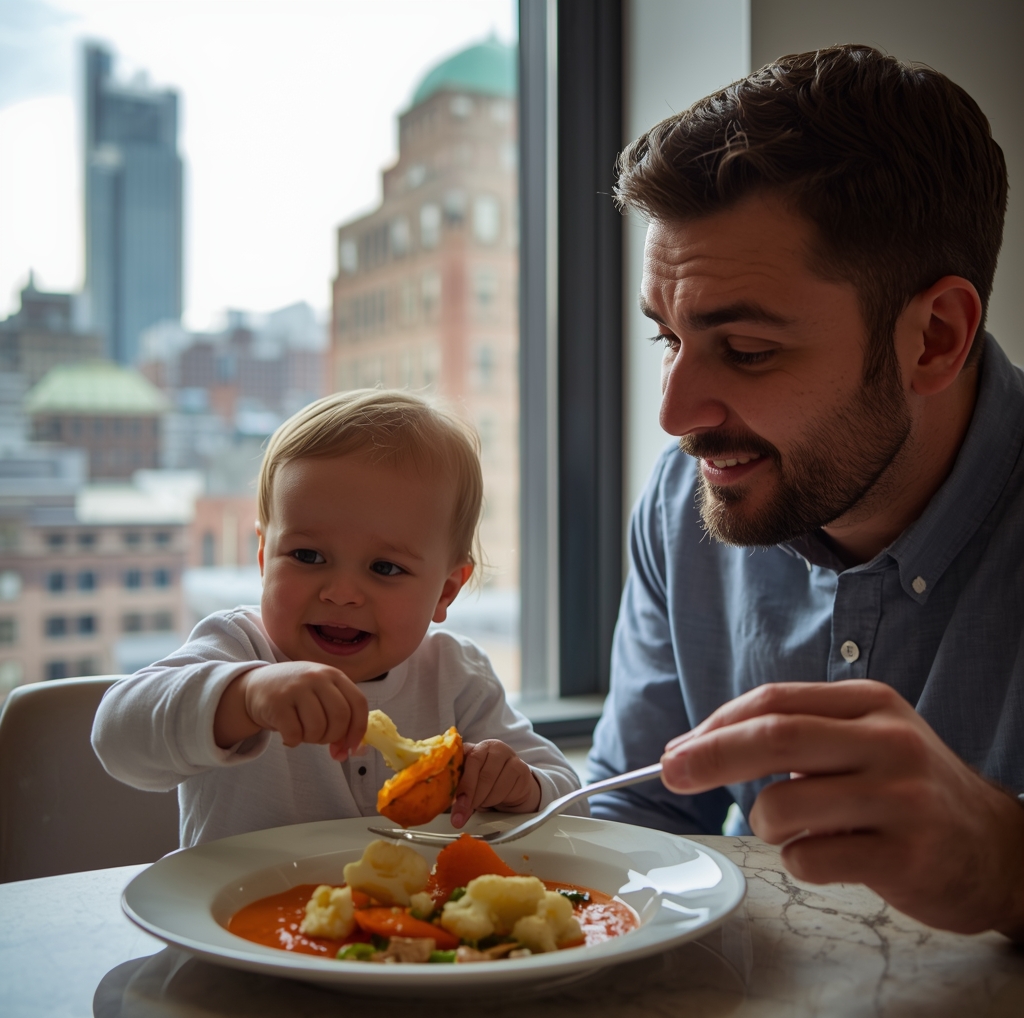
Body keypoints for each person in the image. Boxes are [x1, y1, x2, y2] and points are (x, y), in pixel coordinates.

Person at [586, 44, 1024, 938]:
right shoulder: (686, 504)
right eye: (666, 338)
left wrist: (1008, 864)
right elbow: (643, 822)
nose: (675, 417)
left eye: (746, 351)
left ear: (935, 338)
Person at [93, 389, 579, 846]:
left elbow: (571, 802)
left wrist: (522, 786)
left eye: (385, 567)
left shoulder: (456, 677)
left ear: (445, 591)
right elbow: (116, 736)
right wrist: (244, 697)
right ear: (264, 560)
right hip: (236, 928)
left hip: (410, 930)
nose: (342, 593)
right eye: (307, 556)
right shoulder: (240, 649)